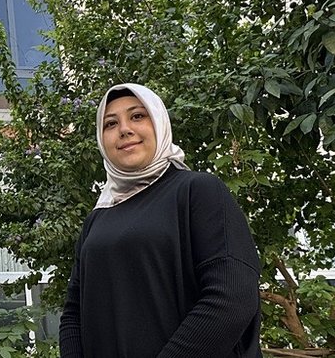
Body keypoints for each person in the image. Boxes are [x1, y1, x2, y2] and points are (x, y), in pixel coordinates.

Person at [59, 84, 262, 357]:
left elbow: (232, 296)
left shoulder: (196, 191)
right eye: (110, 123)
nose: (124, 129)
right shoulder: (97, 219)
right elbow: (74, 312)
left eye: (137, 116)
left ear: (159, 123)